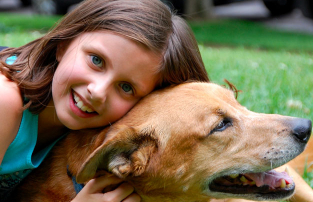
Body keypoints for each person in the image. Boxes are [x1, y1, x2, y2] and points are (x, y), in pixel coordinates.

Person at [0, 0, 209, 201]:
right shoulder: (5, 100)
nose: (98, 92)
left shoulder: (89, 125)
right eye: (96, 60)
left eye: (126, 87)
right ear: (63, 44)